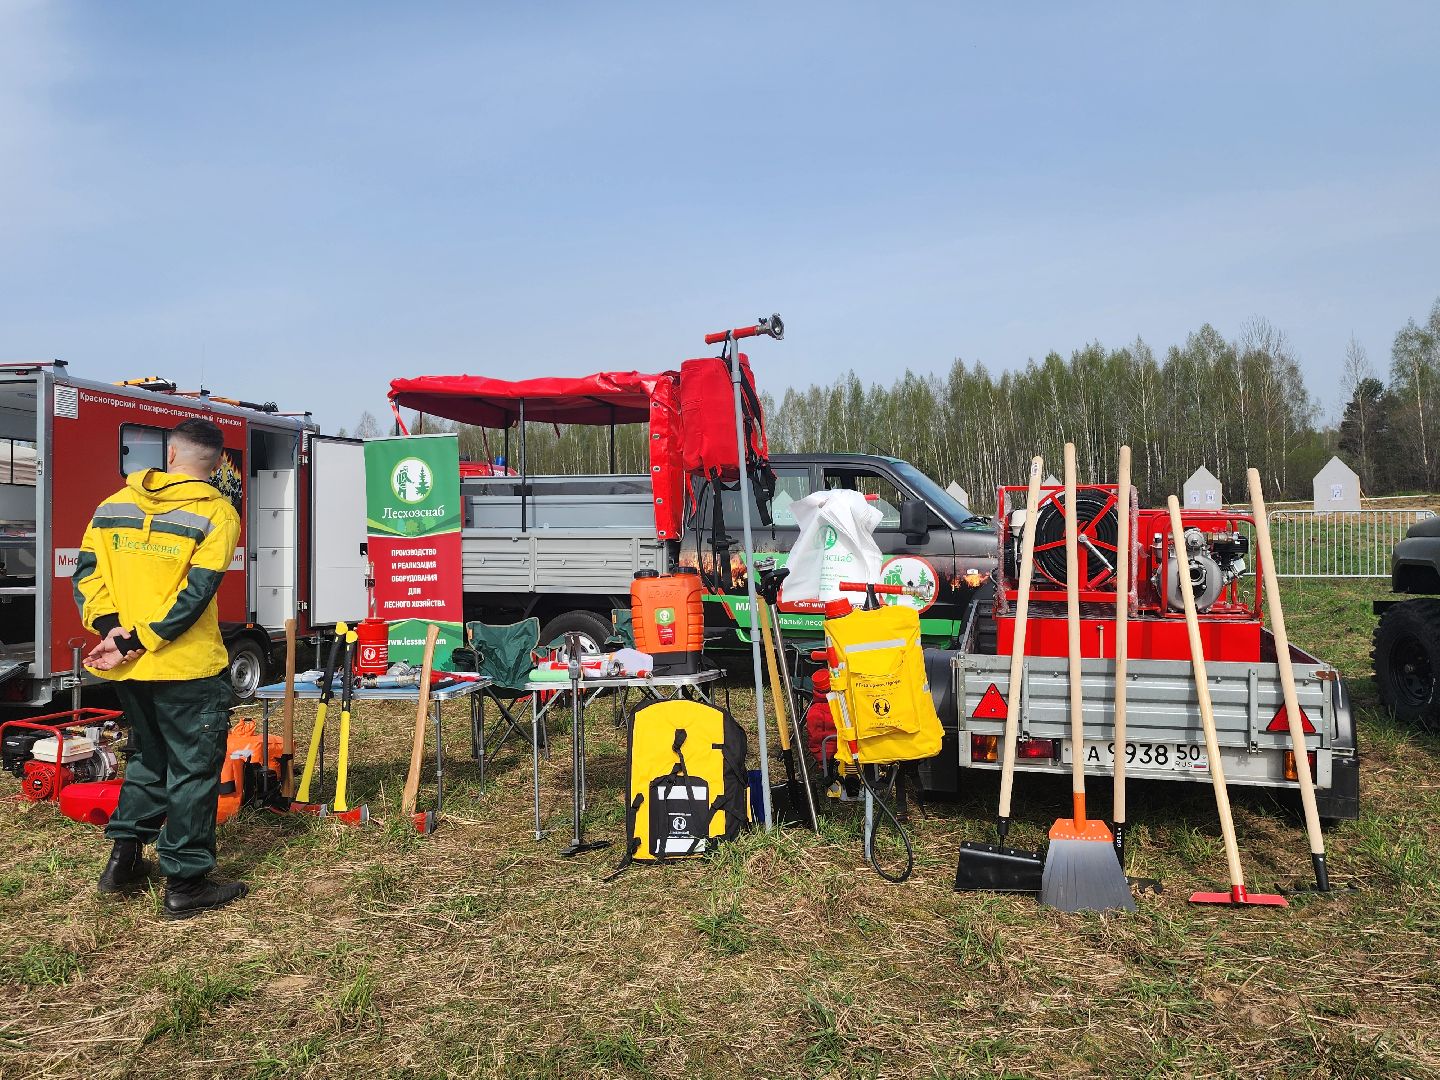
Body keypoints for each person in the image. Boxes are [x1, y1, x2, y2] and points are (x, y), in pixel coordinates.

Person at [72, 417, 246, 919]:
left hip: (130, 669)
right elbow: (196, 593)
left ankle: (122, 862)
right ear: (216, 466)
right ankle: (186, 884)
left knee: (148, 760)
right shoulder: (217, 513)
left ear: (169, 456)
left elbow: (87, 575)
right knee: (192, 771)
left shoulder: (113, 505)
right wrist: (143, 639)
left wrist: (114, 633)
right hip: (186, 668)